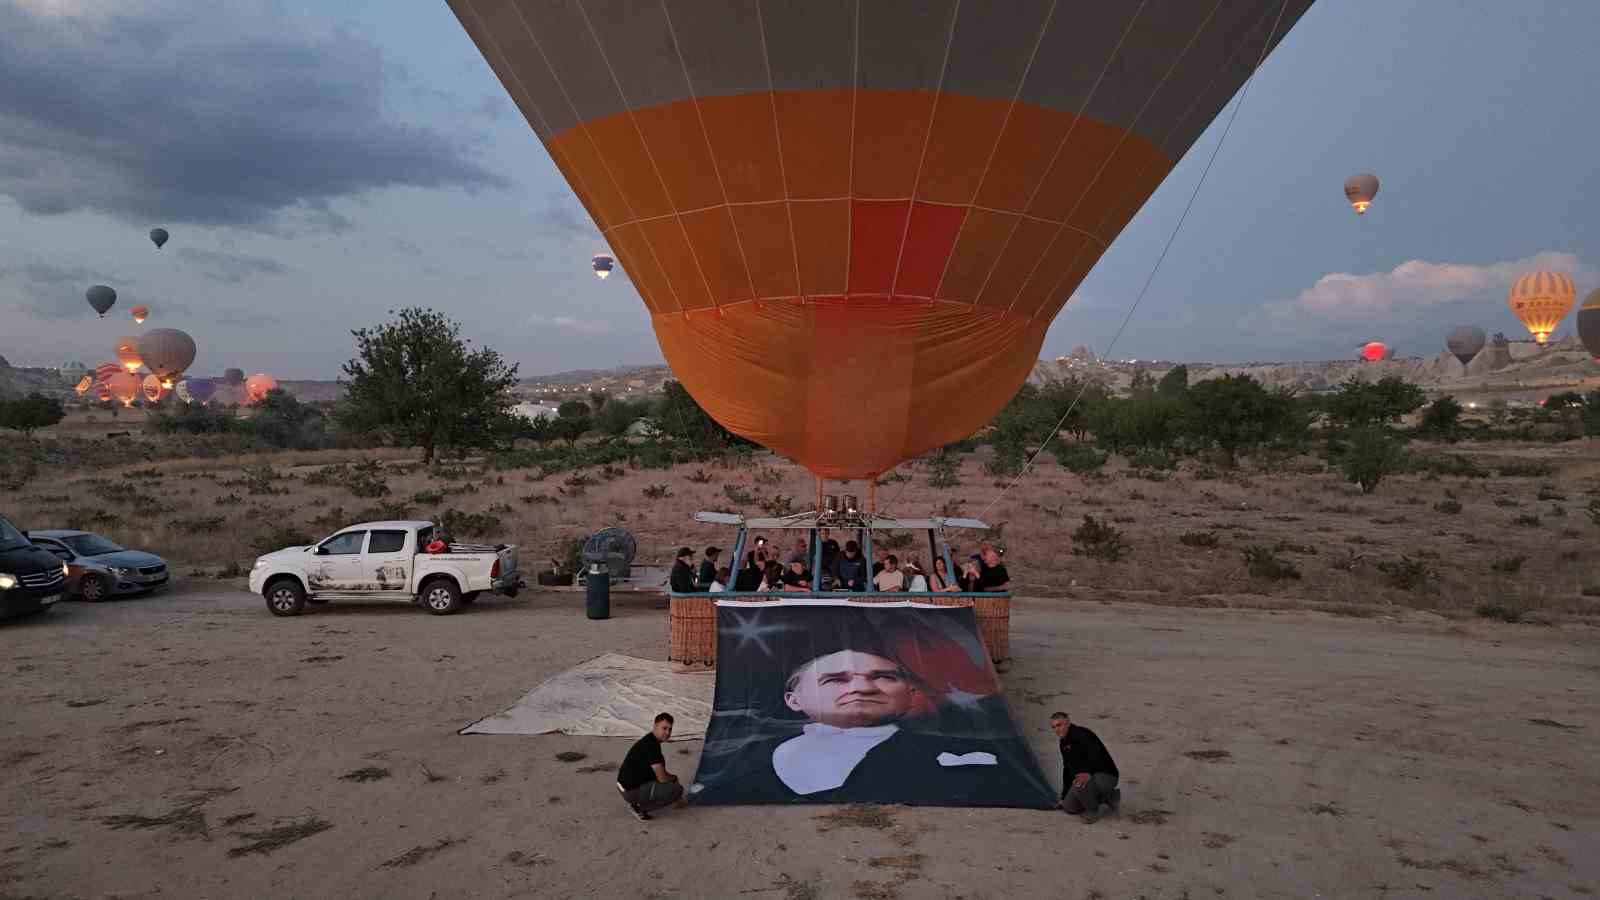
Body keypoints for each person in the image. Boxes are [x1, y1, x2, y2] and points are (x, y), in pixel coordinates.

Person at [691, 645, 1048, 806]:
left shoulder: (967, 755)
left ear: (911, 694)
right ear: (793, 699)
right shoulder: (742, 755)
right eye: (835, 679)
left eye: (883, 677)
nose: (862, 688)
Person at [1050, 712, 1120, 823]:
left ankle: (1093, 811)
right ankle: (1108, 798)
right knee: (1069, 806)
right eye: (1053, 727)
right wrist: (1063, 797)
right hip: (1086, 778)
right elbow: (1067, 769)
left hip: (1106, 776)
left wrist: (1089, 773)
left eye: (1059, 725)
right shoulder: (1063, 743)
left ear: (1067, 723)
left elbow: (1096, 756)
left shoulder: (1082, 734)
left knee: (1079, 784)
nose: (1056, 730)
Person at [617, 713, 685, 820]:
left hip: (624, 785)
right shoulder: (652, 747)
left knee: (670, 781)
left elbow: (659, 771)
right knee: (677, 790)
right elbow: (662, 778)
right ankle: (639, 807)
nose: (667, 733)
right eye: (664, 728)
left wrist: (672, 777)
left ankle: (638, 800)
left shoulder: (648, 740)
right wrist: (673, 779)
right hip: (630, 791)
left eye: (670, 729)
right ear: (655, 725)